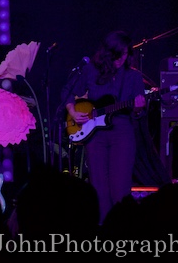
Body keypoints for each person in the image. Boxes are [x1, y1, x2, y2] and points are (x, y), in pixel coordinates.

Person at [60, 29, 145, 223]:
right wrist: (73, 112)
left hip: (122, 132)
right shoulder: (90, 70)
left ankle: (122, 231)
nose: (122, 58)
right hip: (95, 134)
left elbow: (139, 113)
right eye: (118, 54)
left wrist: (139, 108)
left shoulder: (133, 77)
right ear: (108, 53)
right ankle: (101, 232)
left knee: (120, 187)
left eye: (125, 54)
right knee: (98, 186)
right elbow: (67, 91)